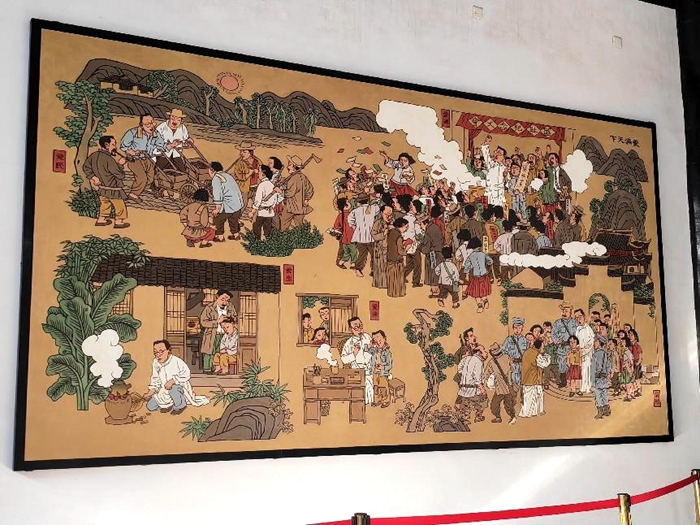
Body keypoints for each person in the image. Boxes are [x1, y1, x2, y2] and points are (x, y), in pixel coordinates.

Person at [143, 340, 209, 415]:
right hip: (164, 390)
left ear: (169, 351)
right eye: (155, 352)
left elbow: (186, 374)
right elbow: (155, 379)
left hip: (178, 388)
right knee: (150, 406)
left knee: (174, 389)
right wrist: (150, 392)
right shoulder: (156, 362)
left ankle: (180, 406)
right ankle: (169, 405)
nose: (158, 355)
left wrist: (173, 381)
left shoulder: (176, 361)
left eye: (161, 351)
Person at [83, 135, 130, 229]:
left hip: (102, 188)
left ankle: (101, 220)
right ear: (107, 145)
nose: (115, 147)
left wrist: (94, 177)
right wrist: (120, 165)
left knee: (105, 204)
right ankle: (119, 222)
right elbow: (120, 175)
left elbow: (86, 167)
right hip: (113, 188)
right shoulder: (109, 159)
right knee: (119, 205)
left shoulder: (94, 155)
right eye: (113, 144)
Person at [119, 113, 164, 200]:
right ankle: (133, 194)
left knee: (151, 178)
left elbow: (161, 145)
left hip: (148, 159)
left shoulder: (156, 134)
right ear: (141, 125)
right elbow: (124, 146)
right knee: (142, 178)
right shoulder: (133, 132)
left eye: (152, 122)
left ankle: (141, 188)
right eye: (148, 124)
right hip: (134, 160)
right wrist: (131, 152)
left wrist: (167, 147)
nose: (151, 126)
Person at [199, 290, 235, 373]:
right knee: (209, 352)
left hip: (225, 334)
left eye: (227, 300)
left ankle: (220, 369)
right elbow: (203, 322)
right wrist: (217, 321)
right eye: (222, 299)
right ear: (216, 297)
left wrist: (230, 318)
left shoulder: (230, 307)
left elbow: (235, 318)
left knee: (222, 352)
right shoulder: (209, 307)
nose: (225, 302)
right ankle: (207, 369)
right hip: (212, 334)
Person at [340, 317, 374, 404]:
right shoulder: (349, 343)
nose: (359, 329)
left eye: (361, 326)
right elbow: (343, 359)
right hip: (357, 372)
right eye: (356, 328)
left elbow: (373, 351)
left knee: (369, 391)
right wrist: (354, 354)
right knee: (359, 395)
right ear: (350, 330)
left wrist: (371, 348)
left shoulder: (367, 337)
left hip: (369, 370)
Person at [209, 161, 245, 242]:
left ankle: (220, 237)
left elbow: (218, 194)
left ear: (212, 170)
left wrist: (217, 209)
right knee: (233, 220)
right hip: (237, 204)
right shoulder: (227, 175)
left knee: (218, 219)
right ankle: (236, 235)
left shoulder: (216, 178)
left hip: (228, 204)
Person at [483, 343, 517, 425]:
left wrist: (485, 381)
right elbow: (513, 368)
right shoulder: (507, 357)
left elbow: (486, 374)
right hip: (507, 386)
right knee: (508, 405)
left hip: (501, 388)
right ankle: (512, 417)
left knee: (495, 405)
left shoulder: (492, 362)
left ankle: (499, 417)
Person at [347, 193, 379, 278]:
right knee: (374, 254)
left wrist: (354, 227)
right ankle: (374, 270)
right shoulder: (373, 208)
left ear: (359, 202)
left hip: (360, 236)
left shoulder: (355, 211)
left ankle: (358, 269)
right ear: (367, 201)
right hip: (371, 237)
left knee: (362, 254)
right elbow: (378, 207)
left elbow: (350, 219)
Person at [280, 155, 315, 231]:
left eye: (289, 165)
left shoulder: (294, 178)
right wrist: (306, 199)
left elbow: (290, 193)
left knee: (283, 225)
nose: (287, 166)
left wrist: (280, 191)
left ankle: (282, 238)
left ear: (294, 166)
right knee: (300, 227)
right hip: (300, 207)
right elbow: (310, 190)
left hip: (291, 206)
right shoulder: (303, 177)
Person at [455, 343, 488, 424]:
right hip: (473, 388)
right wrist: (482, 388)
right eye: (484, 351)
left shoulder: (466, 358)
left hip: (463, 387)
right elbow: (477, 378)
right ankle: (478, 417)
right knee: (483, 400)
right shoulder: (478, 361)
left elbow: (459, 369)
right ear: (479, 353)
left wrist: (466, 376)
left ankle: (465, 418)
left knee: (466, 403)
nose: (486, 353)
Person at [519, 339, 551, 418]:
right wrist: (546, 355)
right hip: (533, 379)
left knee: (533, 396)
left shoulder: (528, 352)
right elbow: (545, 364)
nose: (543, 348)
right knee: (532, 397)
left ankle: (534, 412)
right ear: (539, 347)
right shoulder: (536, 354)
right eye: (543, 347)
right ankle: (527, 414)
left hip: (528, 378)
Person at [462, 237, 493, 313]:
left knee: (476, 292)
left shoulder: (471, 256)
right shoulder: (483, 254)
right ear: (479, 246)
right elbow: (490, 261)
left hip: (475, 276)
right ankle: (485, 301)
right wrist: (487, 263)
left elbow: (466, 266)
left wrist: (467, 274)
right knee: (483, 290)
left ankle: (480, 306)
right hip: (484, 275)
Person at [251, 165, 283, 240]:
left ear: (263, 173)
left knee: (256, 227)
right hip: (269, 212)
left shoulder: (262, 185)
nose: (258, 173)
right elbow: (278, 199)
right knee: (267, 228)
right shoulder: (272, 185)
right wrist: (280, 193)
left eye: (259, 171)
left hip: (262, 212)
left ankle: (257, 241)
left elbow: (258, 200)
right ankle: (267, 241)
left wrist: (253, 211)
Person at [155, 108, 192, 173]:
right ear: (169, 118)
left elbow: (186, 139)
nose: (175, 122)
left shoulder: (182, 128)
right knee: (157, 172)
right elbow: (156, 142)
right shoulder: (161, 127)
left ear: (181, 121)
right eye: (173, 118)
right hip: (163, 155)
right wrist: (170, 145)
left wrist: (189, 141)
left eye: (178, 120)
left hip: (177, 154)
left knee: (182, 173)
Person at [419, 212, 445, 298]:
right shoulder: (434, 227)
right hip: (439, 252)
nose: (420, 227)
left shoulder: (428, 231)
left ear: (424, 223)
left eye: (420, 224)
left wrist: (420, 248)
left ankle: (435, 292)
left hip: (434, 254)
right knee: (438, 272)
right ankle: (438, 289)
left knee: (434, 272)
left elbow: (426, 248)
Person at [229, 141, 262, 207]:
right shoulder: (239, 163)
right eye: (241, 151)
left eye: (244, 152)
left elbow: (262, 172)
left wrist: (259, 173)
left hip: (256, 187)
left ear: (250, 152)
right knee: (242, 206)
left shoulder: (257, 161)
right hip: (244, 188)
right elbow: (239, 176)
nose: (241, 153)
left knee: (258, 206)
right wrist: (249, 173)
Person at [552, 301, 577, 388]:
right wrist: (557, 341)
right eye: (563, 311)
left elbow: (578, 334)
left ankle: (573, 383)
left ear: (570, 312)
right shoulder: (557, 323)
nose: (564, 313)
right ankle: (563, 382)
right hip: (562, 348)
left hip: (572, 348)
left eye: (566, 311)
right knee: (562, 365)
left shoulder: (575, 323)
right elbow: (553, 334)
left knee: (572, 365)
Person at [502, 317, 528, 394]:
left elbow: (527, 353)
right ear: (513, 328)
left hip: (522, 364)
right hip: (512, 364)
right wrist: (509, 361)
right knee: (513, 382)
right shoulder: (508, 339)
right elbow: (504, 352)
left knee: (522, 382)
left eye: (519, 328)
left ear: (522, 328)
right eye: (515, 328)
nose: (517, 330)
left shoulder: (524, 340)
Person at [387, 217, 410, 298]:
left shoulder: (391, 232)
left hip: (390, 258)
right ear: (402, 226)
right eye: (406, 227)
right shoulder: (399, 236)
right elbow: (401, 251)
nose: (407, 229)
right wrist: (407, 248)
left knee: (392, 279)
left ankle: (391, 293)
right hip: (397, 260)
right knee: (398, 278)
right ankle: (397, 294)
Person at [481, 135, 507, 206]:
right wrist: (486, 143)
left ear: (503, 157)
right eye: (496, 152)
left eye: (500, 153)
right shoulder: (491, 164)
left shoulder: (504, 168)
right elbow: (486, 155)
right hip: (489, 192)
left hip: (499, 195)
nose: (497, 154)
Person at [371, 205, 393, 289]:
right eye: (386, 214)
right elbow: (374, 235)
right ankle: (381, 284)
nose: (388, 216)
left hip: (390, 248)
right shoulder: (377, 223)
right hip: (380, 249)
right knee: (380, 267)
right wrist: (383, 234)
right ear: (381, 213)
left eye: (390, 214)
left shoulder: (393, 222)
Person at [574, 308, 596, 393]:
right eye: (576, 318)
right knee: (580, 370)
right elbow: (576, 340)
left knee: (586, 370)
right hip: (579, 353)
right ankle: (581, 388)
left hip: (587, 354)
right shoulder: (578, 329)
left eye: (579, 317)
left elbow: (591, 342)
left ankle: (587, 388)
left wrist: (583, 350)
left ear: (584, 317)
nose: (578, 320)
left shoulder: (588, 329)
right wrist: (577, 347)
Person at [370, 330, 393, 408]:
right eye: (375, 340)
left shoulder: (387, 353)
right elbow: (366, 350)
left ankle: (386, 400)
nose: (378, 342)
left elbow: (389, 365)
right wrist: (370, 345)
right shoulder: (374, 351)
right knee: (375, 387)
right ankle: (377, 400)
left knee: (383, 387)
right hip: (375, 372)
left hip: (383, 373)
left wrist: (382, 367)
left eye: (379, 340)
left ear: (384, 339)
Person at [403, 200, 423, 287]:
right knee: (417, 264)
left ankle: (401, 276)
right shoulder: (416, 220)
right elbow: (419, 233)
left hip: (406, 243)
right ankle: (416, 282)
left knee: (409, 264)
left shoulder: (405, 217)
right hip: (414, 244)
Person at [592, 334, 611, 419]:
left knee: (598, 396)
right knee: (604, 394)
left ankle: (600, 412)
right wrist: (607, 375)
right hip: (604, 378)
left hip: (597, 379)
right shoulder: (605, 354)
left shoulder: (595, 355)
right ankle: (607, 410)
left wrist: (592, 384)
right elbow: (608, 366)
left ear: (599, 343)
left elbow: (593, 369)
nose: (594, 343)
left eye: (595, 341)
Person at [620, 336, 636, 402]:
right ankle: (631, 394)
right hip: (629, 369)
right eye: (621, 341)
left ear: (626, 342)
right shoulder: (628, 351)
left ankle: (629, 395)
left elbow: (627, 362)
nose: (621, 343)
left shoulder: (626, 352)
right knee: (630, 382)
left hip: (627, 370)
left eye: (623, 342)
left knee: (627, 383)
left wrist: (630, 371)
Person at [629, 328, 643, 398]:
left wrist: (638, 362)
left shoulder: (637, 346)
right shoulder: (630, 346)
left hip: (637, 363)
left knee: (637, 377)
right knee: (633, 377)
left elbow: (640, 355)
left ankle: (639, 390)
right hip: (632, 363)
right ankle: (636, 389)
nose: (630, 336)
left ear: (635, 336)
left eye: (632, 335)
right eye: (629, 335)